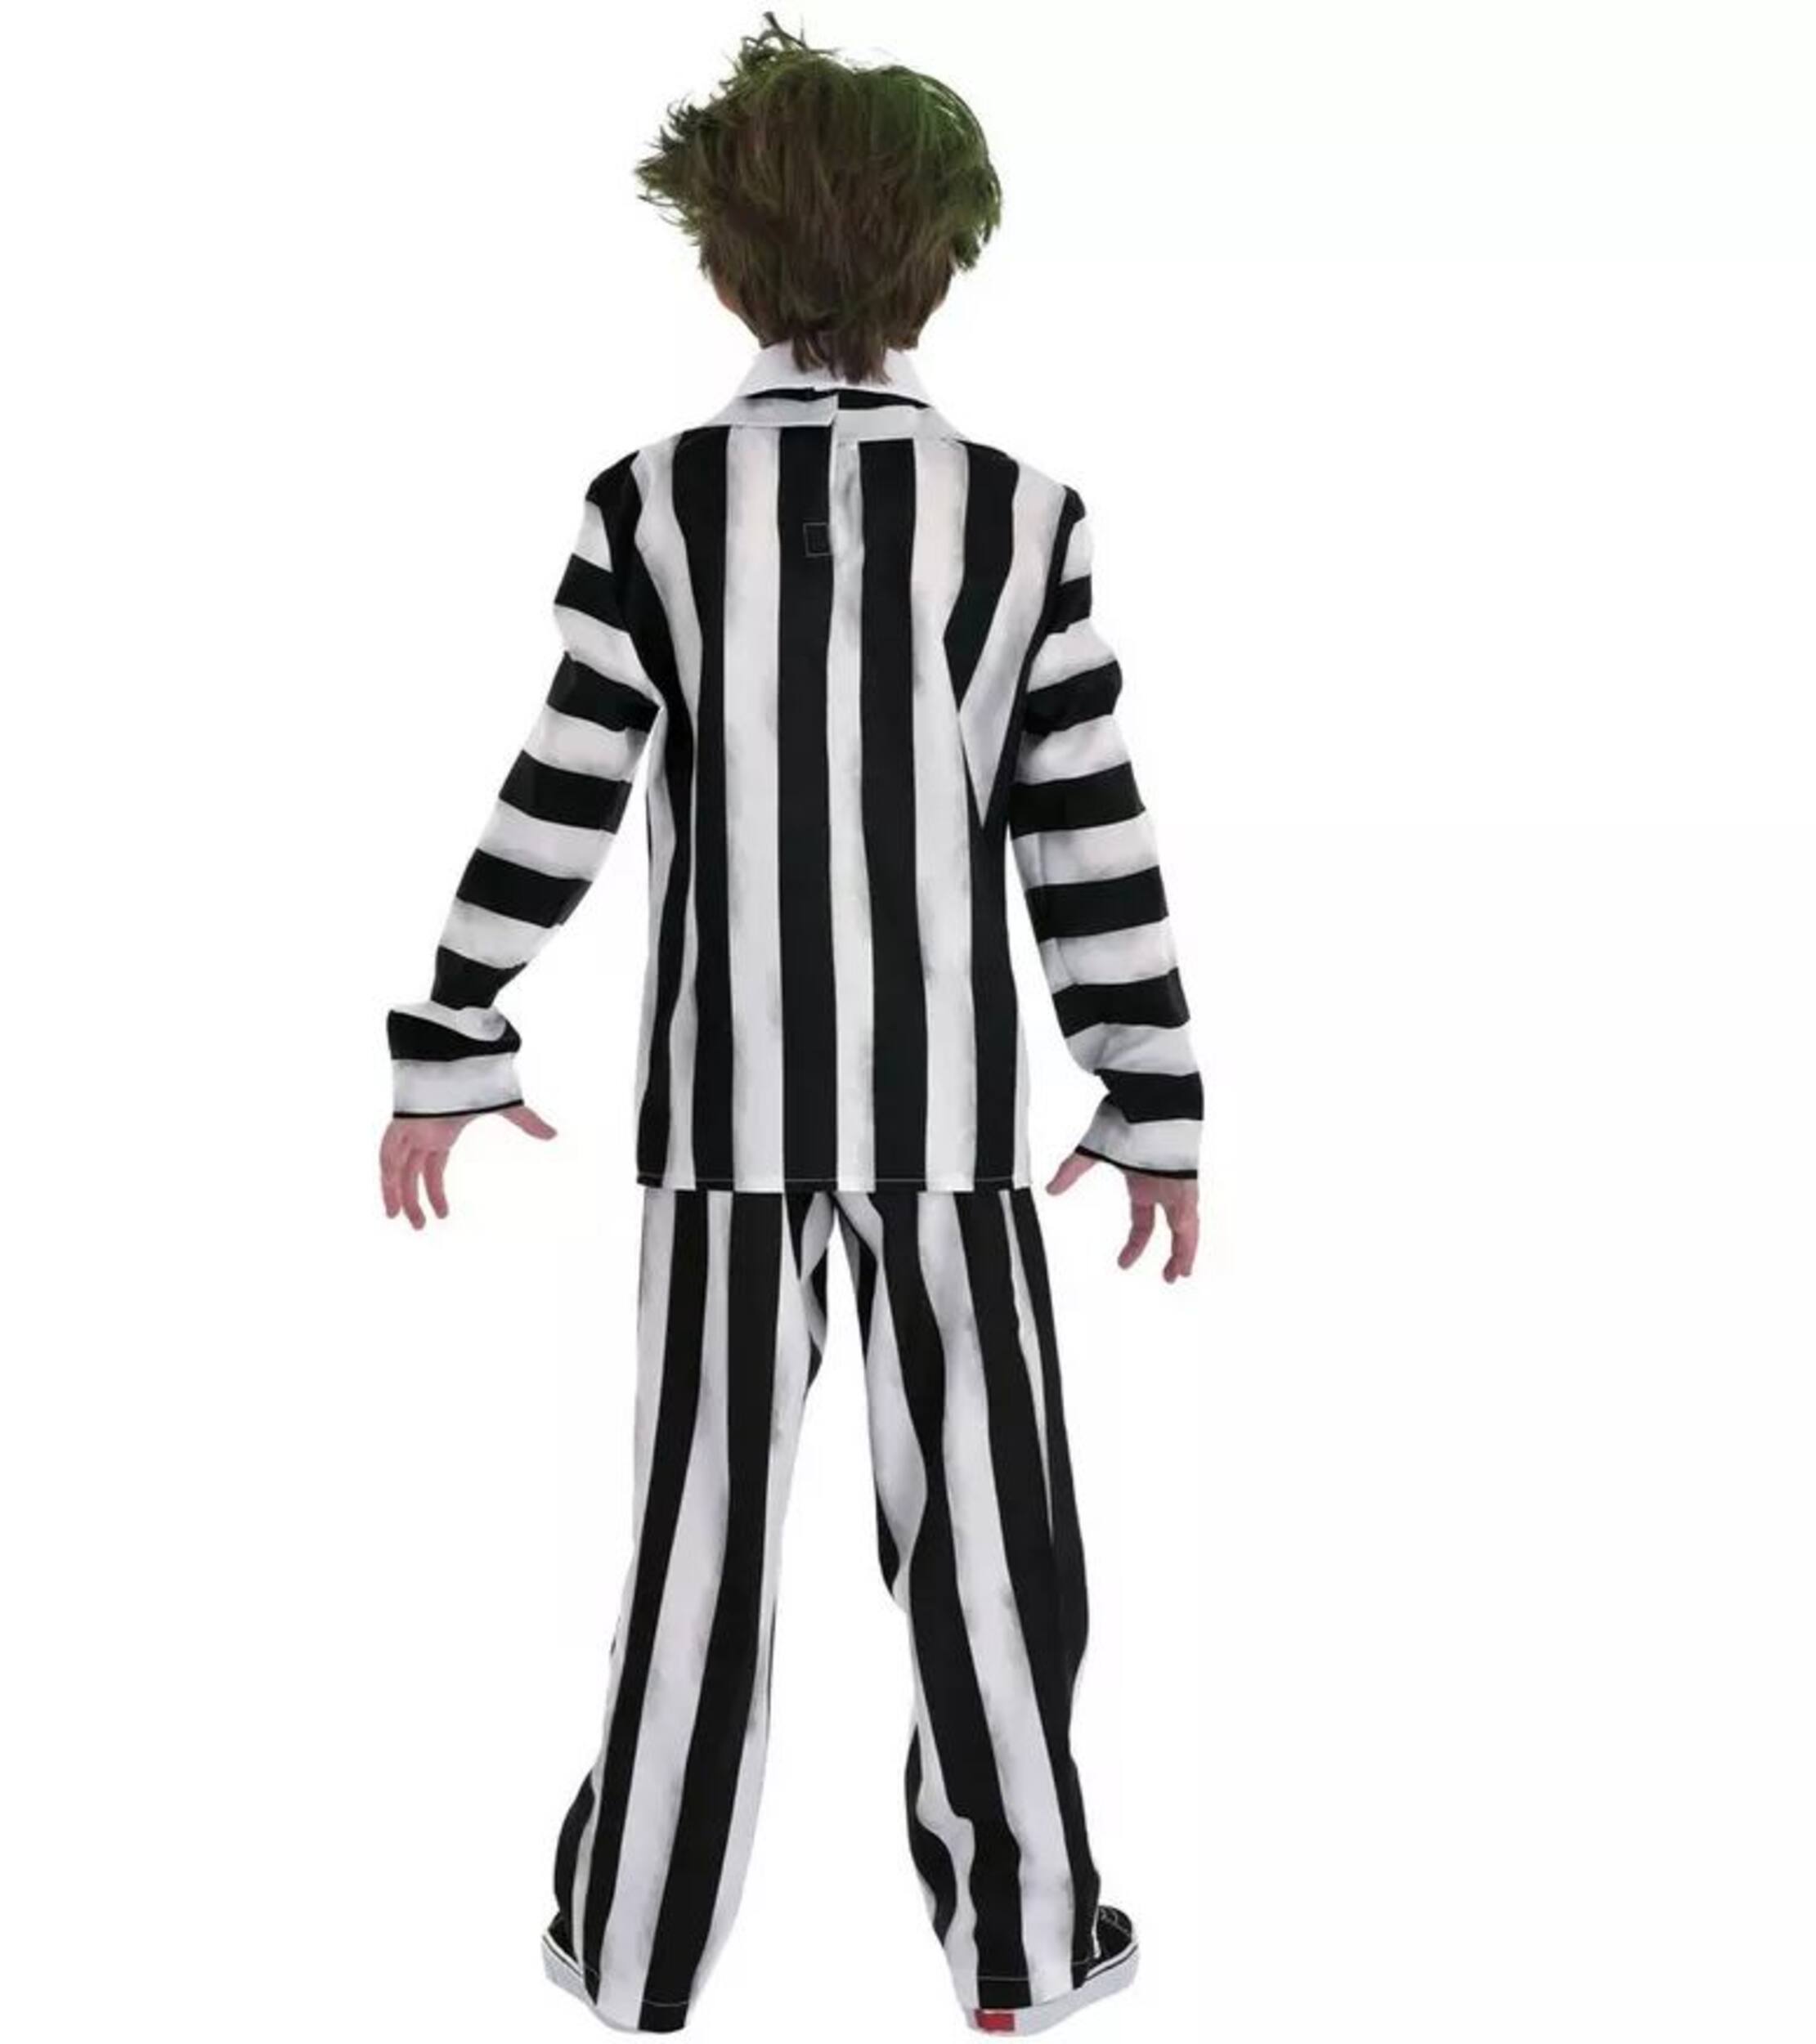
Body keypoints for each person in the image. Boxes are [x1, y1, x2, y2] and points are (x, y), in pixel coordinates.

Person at [378, 17, 1202, 2034]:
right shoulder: (1017, 517)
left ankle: (635, 1948)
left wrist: (455, 1021)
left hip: (719, 1127)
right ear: (939, 261)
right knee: (992, 1546)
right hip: (948, 1129)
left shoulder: (651, 506)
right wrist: (1149, 1090)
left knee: (696, 1550)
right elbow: (1084, 826)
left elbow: (561, 784)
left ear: (722, 262)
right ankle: (1020, 1949)